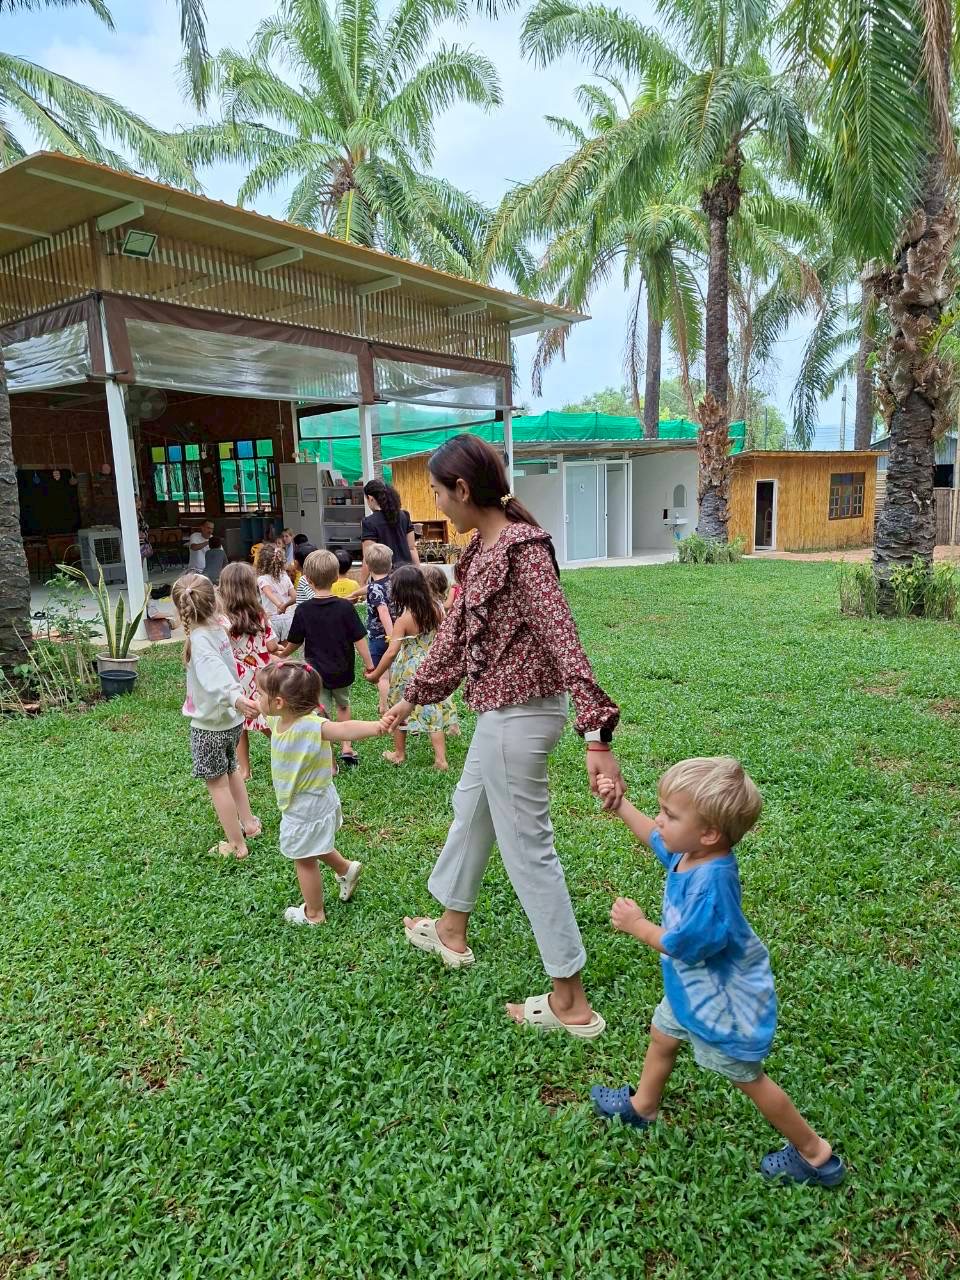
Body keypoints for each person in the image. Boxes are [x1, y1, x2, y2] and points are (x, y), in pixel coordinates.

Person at [383, 434, 623, 1037]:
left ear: (463, 490)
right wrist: (411, 696)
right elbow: (455, 640)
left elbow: (562, 635)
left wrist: (597, 735)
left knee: (528, 852)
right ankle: (450, 930)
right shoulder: (480, 552)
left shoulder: (523, 550)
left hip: (521, 717)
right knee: (471, 814)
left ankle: (571, 1001)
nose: (437, 504)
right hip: (495, 715)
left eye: (439, 492)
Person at [590, 759, 846, 1186]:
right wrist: (620, 806)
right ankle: (643, 1106)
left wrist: (638, 926)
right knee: (662, 1035)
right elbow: (656, 839)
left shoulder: (713, 884)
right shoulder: (691, 852)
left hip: (720, 1004)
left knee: (749, 1078)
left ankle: (815, 1154)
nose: (660, 820)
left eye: (671, 815)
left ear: (708, 832)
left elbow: (687, 945)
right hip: (690, 992)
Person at [257, 661, 386, 925]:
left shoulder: (311, 726)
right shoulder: (278, 719)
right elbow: (254, 709)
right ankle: (345, 869)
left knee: (303, 858)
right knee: (314, 843)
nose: (256, 698)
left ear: (279, 702)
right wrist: (240, 703)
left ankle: (314, 913)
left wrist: (377, 726)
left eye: (260, 694)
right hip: (316, 800)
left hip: (306, 804)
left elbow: (344, 729)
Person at [171, 573, 260, 859]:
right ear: (214, 601)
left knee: (217, 783)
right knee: (231, 769)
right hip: (231, 723)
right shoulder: (218, 627)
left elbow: (215, 676)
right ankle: (249, 825)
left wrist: (235, 698)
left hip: (211, 725)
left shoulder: (200, 640)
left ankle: (237, 844)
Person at [277, 549, 373, 768]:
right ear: (336, 575)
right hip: (343, 669)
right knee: (343, 706)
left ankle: (329, 760)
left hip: (315, 674)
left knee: (320, 713)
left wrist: (282, 654)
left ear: (308, 580)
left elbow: (294, 641)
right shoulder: (345, 608)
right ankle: (347, 746)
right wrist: (369, 665)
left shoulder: (303, 610)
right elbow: (360, 639)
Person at [366, 564, 456, 770]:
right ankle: (440, 759)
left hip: (408, 669)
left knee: (399, 707)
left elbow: (391, 652)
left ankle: (399, 753)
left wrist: (376, 674)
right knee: (433, 708)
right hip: (432, 664)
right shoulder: (438, 608)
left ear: (400, 592)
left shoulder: (404, 619)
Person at [218, 560, 279, 783]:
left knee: (241, 724)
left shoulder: (223, 620)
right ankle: (287, 749)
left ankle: (245, 770)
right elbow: (271, 645)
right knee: (267, 720)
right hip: (261, 679)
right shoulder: (260, 614)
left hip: (237, 679)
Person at [359, 478, 419, 584]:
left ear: (370, 498)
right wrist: (419, 573)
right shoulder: (404, 515)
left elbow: (369, 556)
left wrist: (362, 582)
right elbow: (412, 548)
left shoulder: (369, 522)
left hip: (384, 579)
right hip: (408, 576)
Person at [362, 542, 395, 713]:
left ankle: (385, 707)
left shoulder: (374, 587)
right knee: (397, 673)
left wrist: (391, 637)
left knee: (383, 675)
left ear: (368, 566)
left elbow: (382, 611)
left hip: (381, 637)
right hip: (398, 633)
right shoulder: (394, 581)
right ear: (390, 564)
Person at [256, 543, 296, 641]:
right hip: (288, 618)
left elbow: (270, 595)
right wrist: (286, 605)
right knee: (287, 651)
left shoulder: (262, 579)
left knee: (275, 651)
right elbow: (295, 597)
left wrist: (280, 606)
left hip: (272, 619)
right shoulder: (285, 576)